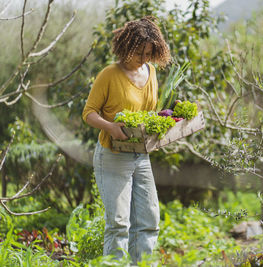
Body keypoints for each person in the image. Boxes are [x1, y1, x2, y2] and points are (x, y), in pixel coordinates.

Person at [81, 16, 171, 264]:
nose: (144, 58)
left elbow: (149, 112)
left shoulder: (150, 71)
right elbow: (88, 113)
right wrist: (110, 127)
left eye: (149, 53)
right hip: (113, 156)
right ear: (126, 47)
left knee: (149, 220)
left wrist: (162, 127)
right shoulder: (109, 74)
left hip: (141, 156)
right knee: (119, 223)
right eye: (140, 52)